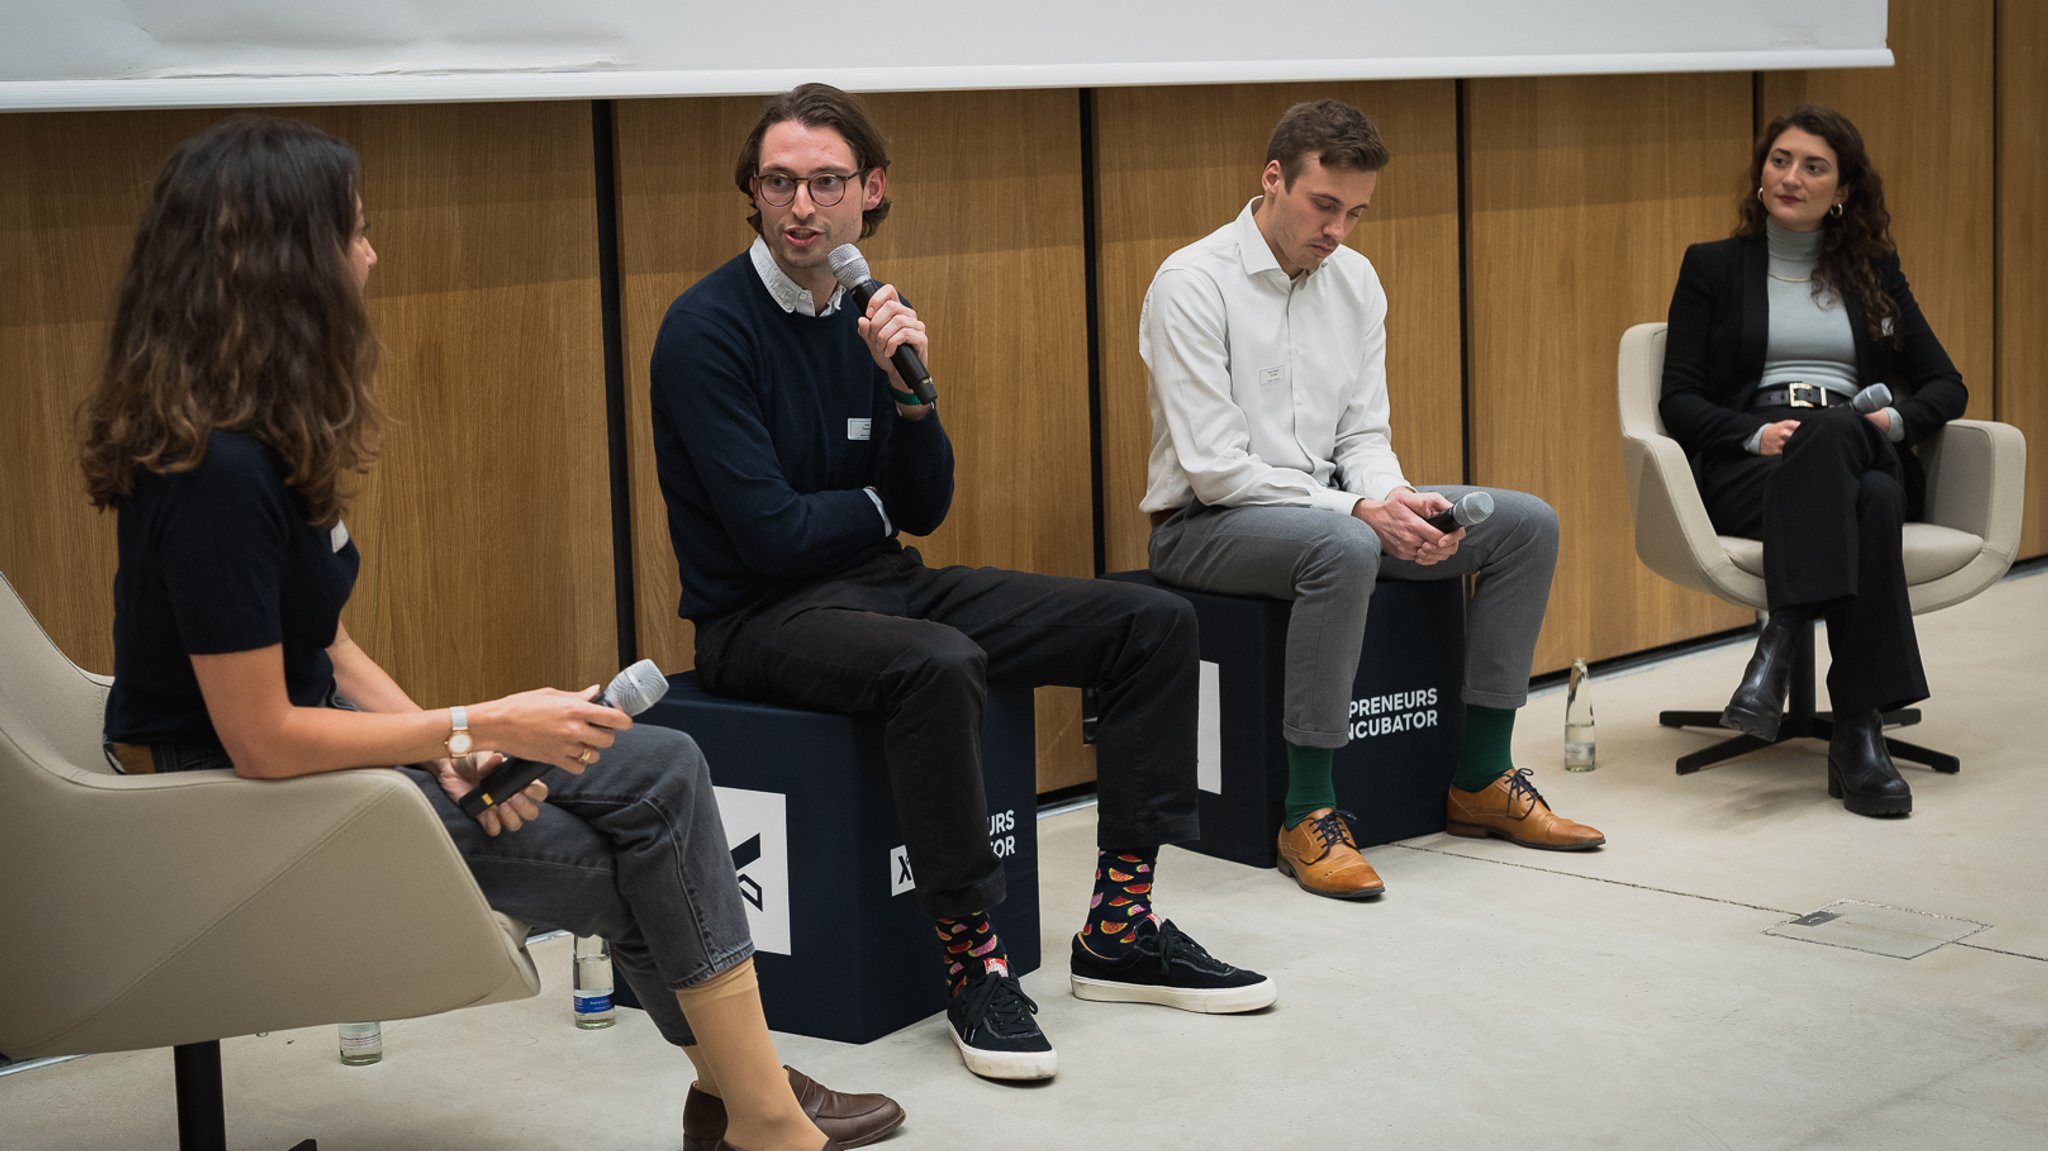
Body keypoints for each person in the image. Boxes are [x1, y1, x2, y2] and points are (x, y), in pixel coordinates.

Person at [78, 115, 901, 1151]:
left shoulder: (258, 430)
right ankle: (759, 1112)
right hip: (228, 803)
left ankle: (749, 1106)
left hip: (296, 762)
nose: (372, 255)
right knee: (640, 863)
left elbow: (319, 641)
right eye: (357, 233)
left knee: (663, 767)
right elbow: (260, 737)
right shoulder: (216, 474)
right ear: (286, 265)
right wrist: (473, 721)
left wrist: (454, 742)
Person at [648, 83, 1274, 1082]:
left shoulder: (867, 314)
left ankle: (1118, 925)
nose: (801, 206)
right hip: (757, 618)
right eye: (778, 182)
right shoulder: (705, 330)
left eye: (824, 182)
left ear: (870, 189)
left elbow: (924, 503)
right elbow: (766, 538)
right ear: (752, 193)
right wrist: (867, 505)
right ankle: (972, 962)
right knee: (937, 663)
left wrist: (907, 393)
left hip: (883, 582)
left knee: (1150, 621)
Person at [1139, 99, 1606, 901]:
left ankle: (1482, 778)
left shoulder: (1354, 280)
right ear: (1273, 179)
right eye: (1325, 206)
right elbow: (1216, 468)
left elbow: (1363, 435)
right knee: (1346, 544)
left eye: (1356, 213)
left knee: (1525, 523)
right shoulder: (1191, 282)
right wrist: (1357, 513)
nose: (1340, 231)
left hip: (1326, 511)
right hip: (1205, 524)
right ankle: (1307, 810)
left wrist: (1396, 498)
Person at [1660, 104, 1967, 818]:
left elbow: (1947, 384)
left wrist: (1891, 421)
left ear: (1845, 191)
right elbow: (1678, 398)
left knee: (1840, 436)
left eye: (1813, 166)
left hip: (1859, 437)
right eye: (1780, 160)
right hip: (1757, 462)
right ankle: (1858, 728)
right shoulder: (1713, 266)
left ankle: (1779, 642)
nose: (1790, 177)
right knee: (1874, 502)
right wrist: (1751, 435)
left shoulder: (1874, 271)